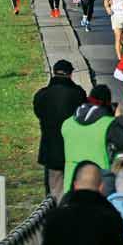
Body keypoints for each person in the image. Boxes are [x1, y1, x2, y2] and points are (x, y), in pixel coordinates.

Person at [60, 84, 123, 193]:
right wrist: (120, 119)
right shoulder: (108, 124)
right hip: (99, 183)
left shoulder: (67, 123)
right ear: (107, 104)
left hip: (72, 183)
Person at [33, 59, 86, 199]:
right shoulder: (78, 94)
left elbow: (38, 113)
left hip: (50, 149)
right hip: (73, 150)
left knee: (53, 190)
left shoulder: (42, 95)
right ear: (70, 74)